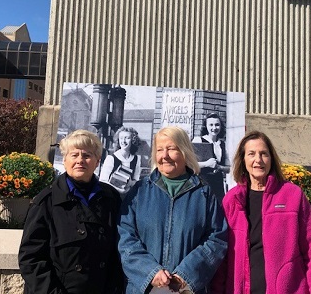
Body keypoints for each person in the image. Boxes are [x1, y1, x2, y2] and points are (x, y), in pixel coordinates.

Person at [210, 131, 311, 294]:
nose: (258, 160)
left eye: (263, 154)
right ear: (243, 159)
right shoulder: (231, 200)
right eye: (251, 154)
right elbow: (221, 258)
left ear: (271, 158)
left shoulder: (292, 195)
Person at [118, 126, 228, 294]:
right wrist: (150, 272)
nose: (164, 156)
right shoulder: (139, 192)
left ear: (184, 151)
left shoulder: (204, 193)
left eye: (171, 149)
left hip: (187, 290)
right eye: (160, 150)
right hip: (144, 289)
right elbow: (125, 236)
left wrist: (185, 275)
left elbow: (216, 239)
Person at [18, 129, 124, 294]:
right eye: (74, 155)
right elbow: (30, 258)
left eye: (87, 155)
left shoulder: (111, 199)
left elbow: (118, 253)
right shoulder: (46, 201)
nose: (80, 161)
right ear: (65, 160)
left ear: (97, 161)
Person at [192, 112, 230, 202]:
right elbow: (190, 164)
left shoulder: (223, 144)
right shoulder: (199, 140)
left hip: (218, 185)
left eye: (217, 125)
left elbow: (229, 168)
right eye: (211, 125)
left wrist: (220, 167)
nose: (214, 128)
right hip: (203, 183)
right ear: (206, 126)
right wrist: (206, 164)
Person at [100, 126, 141, 197]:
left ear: (133, 140)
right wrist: (119, 189)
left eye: (127, 138)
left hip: (128, 198)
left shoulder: (136, 159)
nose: (123, 141)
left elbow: (136, 180)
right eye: (121, 138)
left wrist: (131, 183)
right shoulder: (111, 158)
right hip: (111, 197)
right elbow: (102, 181)